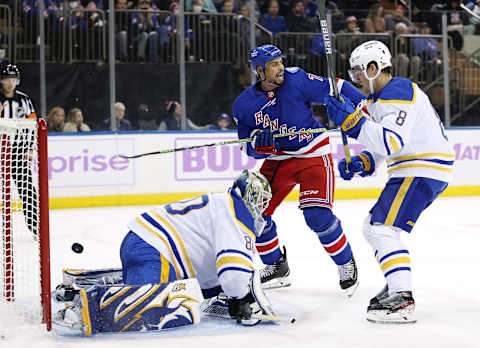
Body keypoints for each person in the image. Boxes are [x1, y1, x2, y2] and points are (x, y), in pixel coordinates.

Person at [323, 40, 454, 323]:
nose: (354, 77)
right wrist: (362, 162)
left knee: (380, 227)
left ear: (374, 68)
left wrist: (352, 123)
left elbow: (391, 141)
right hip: (416, 169)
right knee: (377, 227)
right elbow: (382, 145)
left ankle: (402, 297)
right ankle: (397, 287)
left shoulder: (399, 90)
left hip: (421, 169)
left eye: (358, 70)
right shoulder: (377, 100)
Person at [53, 170, 278, 335]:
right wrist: (240, 298)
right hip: (154, 250)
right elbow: (233, 272)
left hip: (145, 244)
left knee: (171, 292)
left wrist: (229, 294)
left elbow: (220, 273)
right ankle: (83, 307)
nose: (261, 209)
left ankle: (83, 285)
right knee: (153, 307)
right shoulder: (235, 214)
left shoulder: (223, 204)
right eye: (260, 202)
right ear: (249, 197)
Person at [233, 44, 364, 296]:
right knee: (253, 211)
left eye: (280, 61)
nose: (281, 67)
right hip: (279, 158)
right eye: (273, 64)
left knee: (317, 216)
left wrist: (366, 104)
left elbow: (336, 86)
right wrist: (259, 144)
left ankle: (345, 262)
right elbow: (247, 147)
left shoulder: (296, 79)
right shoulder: (244, 104)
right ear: (260, 71)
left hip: (312, 152)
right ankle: (275, 266)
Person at [0, 63, 39, 235]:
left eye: (13, 79)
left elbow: (32, 125)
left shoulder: (24, 100)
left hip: (18, 150)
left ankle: (35, 226)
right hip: (1, 149)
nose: (10, 83)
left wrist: (30, 148)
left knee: (27, 189)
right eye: (6, 79)